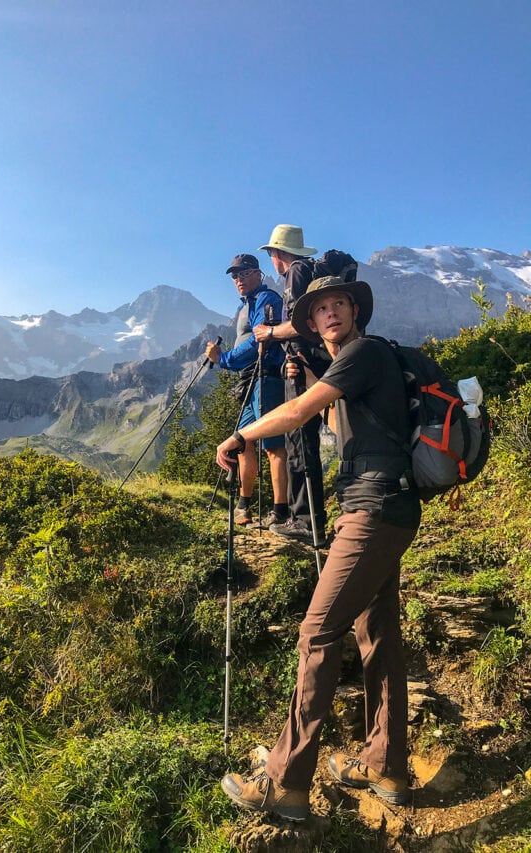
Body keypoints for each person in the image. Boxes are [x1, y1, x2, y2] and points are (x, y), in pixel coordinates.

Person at [216, 275, 422, 821]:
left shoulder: (365, 353)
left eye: (339, 304)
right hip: (384, 509)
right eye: (320, 308)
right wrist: (309, 376)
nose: (330, 313)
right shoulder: (353, 366)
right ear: (309, 322)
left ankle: (285, 781)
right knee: (375, 633)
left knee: (317, 631)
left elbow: (300, 413)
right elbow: (336, 416)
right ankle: (387, 765)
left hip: (373, 513)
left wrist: (241, 437)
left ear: (355, 311)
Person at [253, 224, 330, 546]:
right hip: (317, 364)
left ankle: (306, 521)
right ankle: (310, 518)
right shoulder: (307, 269)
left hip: (302, 367)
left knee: (299, 440)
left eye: (271, 253)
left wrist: (268, 334)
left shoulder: (297, 272)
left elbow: (301, 325)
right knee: (304, 440)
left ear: (276, 253)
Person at [205, 254, 288, 527]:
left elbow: (258, 339)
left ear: (257, 273)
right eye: (234, 276)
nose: (238, 280)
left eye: (243, 273)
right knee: (244, 442)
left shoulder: (266, 299)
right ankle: (244, 507)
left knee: (272, 445)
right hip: (252, 379)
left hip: (266, 377)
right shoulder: (250, 303)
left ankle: (280, 511)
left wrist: (224, 359)